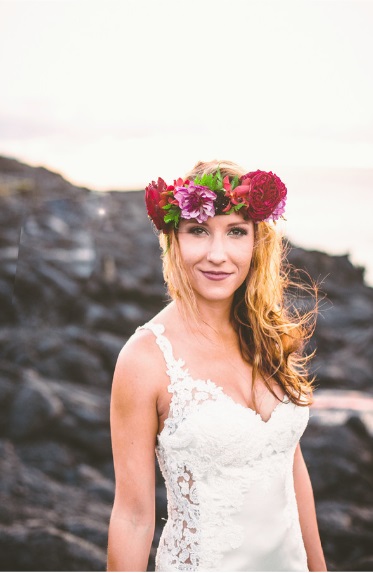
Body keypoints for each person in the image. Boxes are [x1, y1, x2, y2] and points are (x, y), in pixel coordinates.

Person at [107, 160, 327, 572]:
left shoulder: (271, 334)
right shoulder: (145, 359)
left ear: (256, 242)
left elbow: (288, 462)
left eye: (236, 232)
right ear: (174, 239)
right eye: (198, 231)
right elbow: (133, 518)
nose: (217, 255)